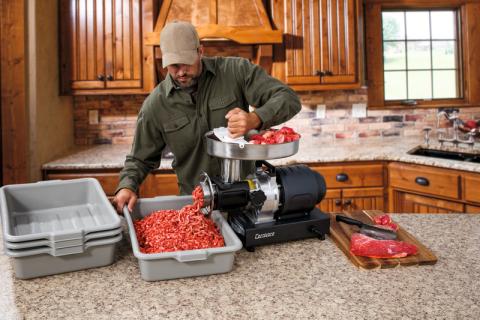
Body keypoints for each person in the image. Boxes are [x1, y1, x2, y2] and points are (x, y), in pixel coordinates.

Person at [112, 21, 301, 214]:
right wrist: (127, 186)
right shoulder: (155, 105)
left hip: (246, 200)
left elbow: (289, 98)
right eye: (173, 65)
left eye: (186, 62)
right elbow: (139, 159)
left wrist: (256, 118)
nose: (181, 72)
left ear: (200, 51)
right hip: (196, 207)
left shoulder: (235, 71)